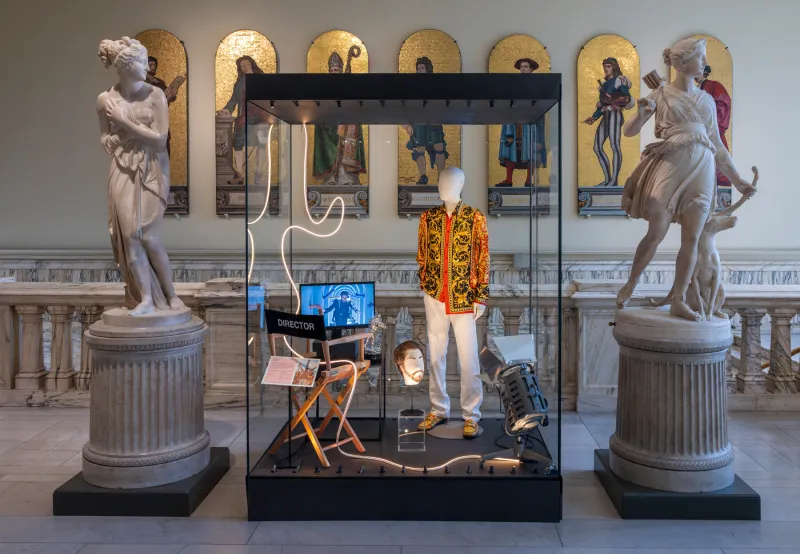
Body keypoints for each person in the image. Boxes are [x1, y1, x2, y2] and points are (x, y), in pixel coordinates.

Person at [617, 38, 756, 321]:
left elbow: (717, 144)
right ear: (681, 63)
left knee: (692, 237)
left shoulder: (706, 99)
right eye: (700, 58)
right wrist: (642, 112)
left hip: (703, 165)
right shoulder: (661, 93)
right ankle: (631, 282)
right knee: (656, 230)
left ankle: (679, 298)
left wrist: (739, 180)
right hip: (672, 161)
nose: (704, 63)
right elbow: (629, 131)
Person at [96, 37, 185, 315]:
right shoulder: (105, 100)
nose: (147, 67)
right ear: (124, 66)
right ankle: (145, 298)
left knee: (148, 236)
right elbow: (105, 142)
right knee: (129, 235)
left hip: (152, 169)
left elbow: (159, 141)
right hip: (122, 169)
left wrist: (124, 121)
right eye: (141, 62)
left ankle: (171, 296)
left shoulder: (155, 95)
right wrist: (116, 134)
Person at [313, 48, 367, 186]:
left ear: (341, 70)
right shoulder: (324, 88)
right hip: (329, 125)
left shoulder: (348, 85)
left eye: (336, 70)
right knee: (331, 146)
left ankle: (346, 177)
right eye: (331, 71)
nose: (333, 73)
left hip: (347, 123)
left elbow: (354, 106)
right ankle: (331, 177)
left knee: (346, 146)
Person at [583, 57, 634, 187]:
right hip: (606, 115)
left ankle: (614, 180)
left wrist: (612, 102)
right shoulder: (604, 85)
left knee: (614, 145)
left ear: (614, 67)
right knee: (597, 147)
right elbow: (602, 106)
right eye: (604, 66)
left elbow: (626, 98)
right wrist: (594, 117)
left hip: (615, 114)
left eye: (608, 66)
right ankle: (607, 179)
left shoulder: (619, 80)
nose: (606, 69)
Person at [496, 58, 546, 187]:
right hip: (514, 123)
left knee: (530, 149)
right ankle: (508, 180)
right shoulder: (514, 84)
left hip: (529, 123)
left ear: (531, 69)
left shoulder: (536, 86)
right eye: (522, 67)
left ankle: (529, 180)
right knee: (510, 148)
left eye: (526, 66)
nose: (523, 69)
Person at [216, 56, 266, 185]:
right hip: (245, 116)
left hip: (261, 116)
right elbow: (233, 100)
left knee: (262, 143)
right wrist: (226, 109)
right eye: (242, 66)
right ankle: (240, 174)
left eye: (247, 64)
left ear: (252, 64)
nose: (245, 67)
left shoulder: (262, 79)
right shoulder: (239, 83)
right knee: (238, 143)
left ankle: (259, 173)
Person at [403, 57, 449, 185]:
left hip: (434, 121)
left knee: (439, 147)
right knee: (419, 149)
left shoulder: (436, 85)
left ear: (428, 69)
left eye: (422, 68)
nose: (419, 71)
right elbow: (405, 106)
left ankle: (441, 177)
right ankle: (423, 176)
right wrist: (406, 125)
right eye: (418, 69)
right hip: (419, 122)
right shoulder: (412, 87)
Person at [696, 65, 733, 190]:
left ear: (704, 72)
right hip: (696, 133)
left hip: (711, 131)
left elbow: (723, 104)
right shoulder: (694, 89)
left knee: (715, 165)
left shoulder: (714, 85)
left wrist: (710, 122)